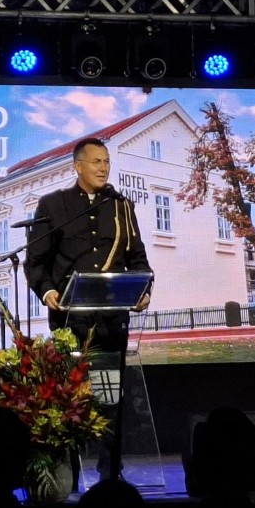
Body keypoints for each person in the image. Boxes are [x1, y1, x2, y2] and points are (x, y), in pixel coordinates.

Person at [25, 137, 152, 479]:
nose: (103, 168)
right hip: (70, 321)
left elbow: (137, 258)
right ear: (77, 166)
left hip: (111, 322)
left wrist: (143, 290)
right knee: (70, 397)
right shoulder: (53, 205)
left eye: (107, 161)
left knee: (109, 397)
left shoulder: (121, 206)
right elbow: (36, 261)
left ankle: (110, 470)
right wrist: (47, 290)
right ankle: (68, 471)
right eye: (96, 161)